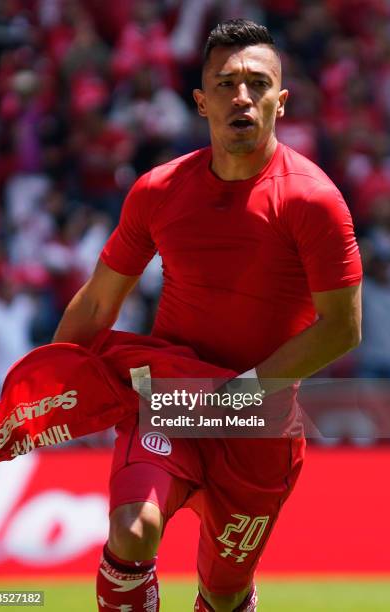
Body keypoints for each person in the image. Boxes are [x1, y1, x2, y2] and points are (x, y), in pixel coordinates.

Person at [53, 19, 362, 612]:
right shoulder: (159, 190)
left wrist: (237, 397)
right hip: (169, 398)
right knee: (131, 529)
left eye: (257, 82)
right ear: (201, 101)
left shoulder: (314, 200)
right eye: (225, 83)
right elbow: (97, 302)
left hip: (258, 422)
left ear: (281, 99)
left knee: (222, 596)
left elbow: (343, 329)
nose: (241, 96)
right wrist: (44, 388)